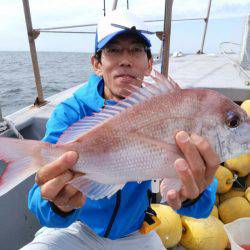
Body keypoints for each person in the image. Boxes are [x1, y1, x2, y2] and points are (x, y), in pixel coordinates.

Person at [22, 10, 219, 250]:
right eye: (113, 50)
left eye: (136, 49)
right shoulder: (71, 112)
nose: (125, 59)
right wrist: (58, 204)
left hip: (135, 232)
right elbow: (40, 202)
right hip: (77, 228)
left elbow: (200, 208)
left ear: (149, 64)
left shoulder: (167, 108)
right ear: (97, 64)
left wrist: (193, 194)